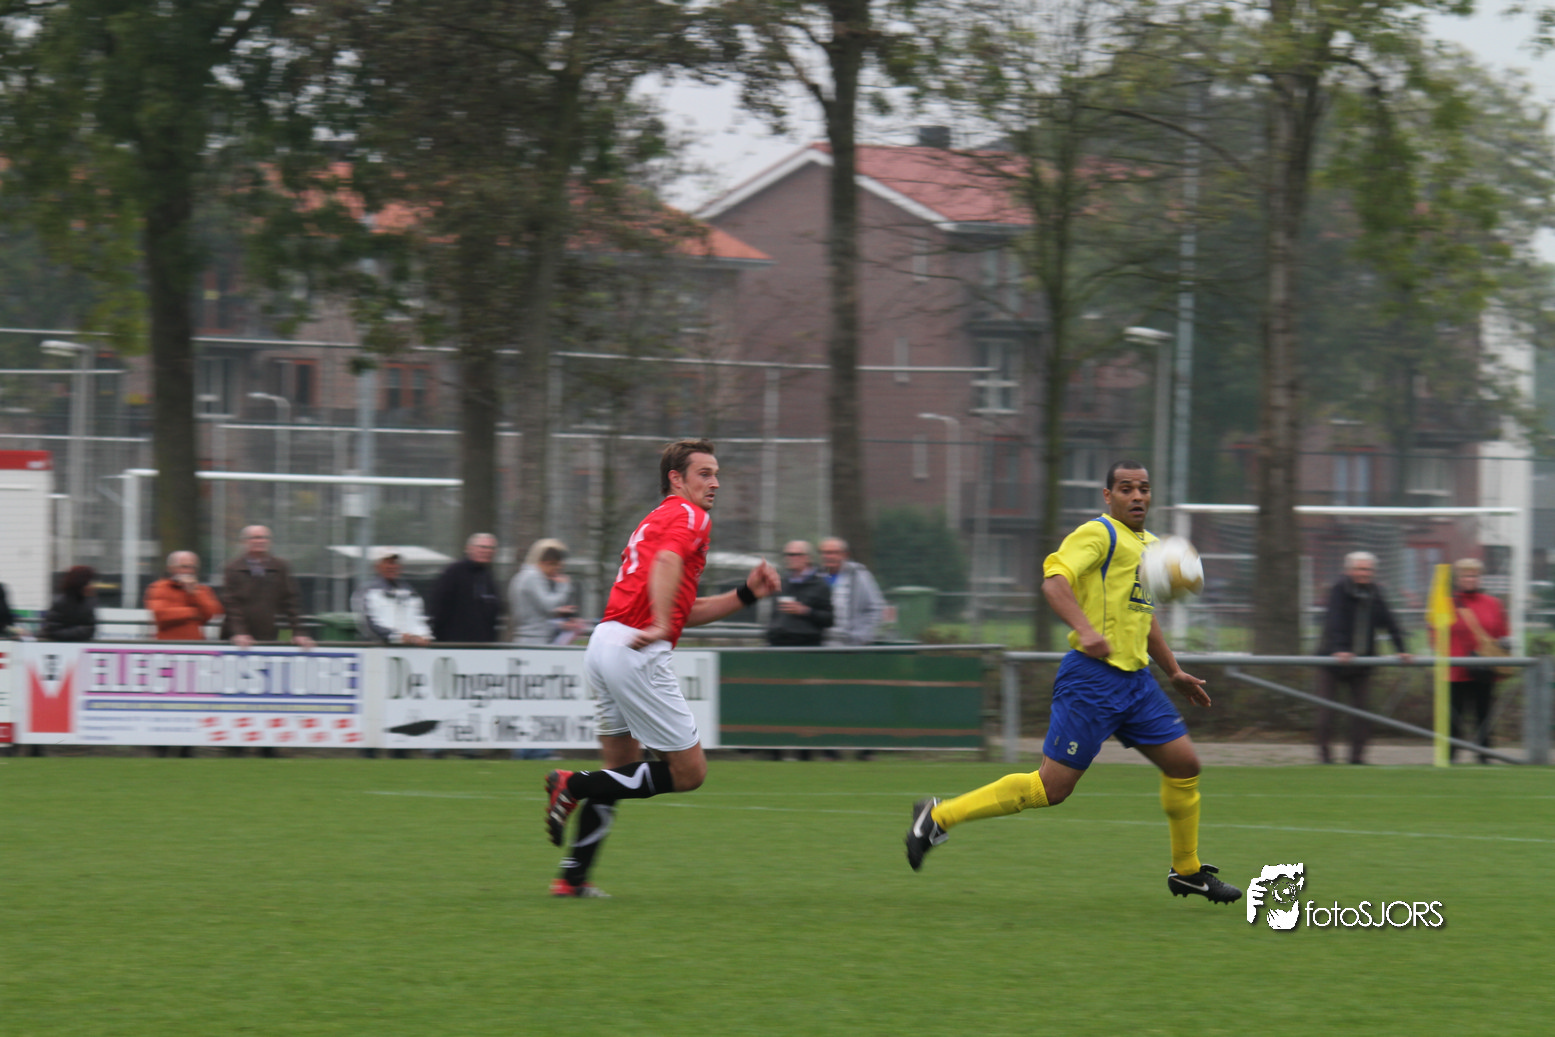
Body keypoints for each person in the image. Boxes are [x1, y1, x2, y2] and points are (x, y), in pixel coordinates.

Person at [904, 460, 1242, 906]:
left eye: (1143, 488)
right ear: (1108, 496)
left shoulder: (1153, 548)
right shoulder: (1098, 534)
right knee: (1051, 789)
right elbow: (1054, 583)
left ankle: (1187, 871)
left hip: (1137, 684)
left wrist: (1173, 671)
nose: (1137, 496)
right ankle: (937, 817)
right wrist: (1085, 629)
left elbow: (1144, 617)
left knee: (1184, 765)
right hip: (1091, 680)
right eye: (1126, 488)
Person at [543, 438, 781, 897]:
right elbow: (669, 567)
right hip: (635, 651)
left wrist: (747, 594)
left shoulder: (655, 519)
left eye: (716, 474)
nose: (715, 482)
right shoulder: (691, 516)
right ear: (676, 478)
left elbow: (683, 609)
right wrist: (657, 625)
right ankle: (573, 784)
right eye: (704, 473)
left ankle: (572, 878)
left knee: (620, 770)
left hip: (605, 642)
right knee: (689, 773)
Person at [1314, 550, 1411, 765]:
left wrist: (1401, 648)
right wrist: (1339, 649)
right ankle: (1325, 758)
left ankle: (1357, 758)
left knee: (1362, 712)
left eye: (1368, 569)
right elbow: (1335, 620)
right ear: (1348, 570)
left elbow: (1390, 621)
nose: (1364, 573)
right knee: (1326, 712)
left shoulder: (1376, 592)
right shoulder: (1338, 590)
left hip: (1362, 663)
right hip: (1332, 661)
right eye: (1359, 569)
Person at [1445, 557, 1509, 764]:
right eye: (1466, 575)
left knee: (1484, 716)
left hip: (1484, 669)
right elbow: (1435, 634)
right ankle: (1449, 758)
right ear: (1458, 578)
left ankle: (1484, 757)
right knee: (1453, 719)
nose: (1470, 579)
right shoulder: (1447, 604)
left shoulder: (1493, 604)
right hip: (1456, 670)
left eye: (1474, 575)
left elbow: (1502, 633)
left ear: (1480, 578)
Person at [221, 525, 316, 650]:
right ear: (244, 541)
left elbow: (291, 602)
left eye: (265, 537)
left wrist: (299, 633)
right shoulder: (233, 568)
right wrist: (239, 632)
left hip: (268, 633)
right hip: (236, 637)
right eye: (255, 538)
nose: (261, 541)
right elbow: (231, 604)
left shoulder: (280, 567)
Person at [427, 532, 503, 643]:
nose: (487, 551)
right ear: (469, 548)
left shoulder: (487, 576)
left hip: (483, 644)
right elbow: (438, 607)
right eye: (482, 547)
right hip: (455, 643)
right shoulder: (453, 572)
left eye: (491, 548)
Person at [510, 538, 583, 646]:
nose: (556, 573)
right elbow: (549, 606)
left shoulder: (523, 576)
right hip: (535, 641)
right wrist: (564, 586)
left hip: (530, 638)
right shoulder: (533, 577)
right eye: (556, 568)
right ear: (548, 563)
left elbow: (537, 612)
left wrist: (560, 620)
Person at [354, 548, 433, 646]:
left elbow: (418, 618)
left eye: (394, 563)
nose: (392, 567)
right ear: (377, 566)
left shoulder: (410, 592)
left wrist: (424, 635)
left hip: (408, 650)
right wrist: (396, 637)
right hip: (376, 649)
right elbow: (366, 624)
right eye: (387, 563)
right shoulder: (367, 591)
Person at [820, 536, 885, 646]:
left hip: (852, 645)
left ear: (845, 555)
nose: (828, 556)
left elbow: (876, 608)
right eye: (825, 553)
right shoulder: (818, 576)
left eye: (834, 553)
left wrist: (862, 635)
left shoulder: (859, 576)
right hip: (822, 645)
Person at [766, 540, 833, 647]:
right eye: (788, 555)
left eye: (796, 554)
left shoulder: (820, 585)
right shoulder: (781, 583)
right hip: (777, 644)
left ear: (808, 558)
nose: (790, 558)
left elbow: (829, 619)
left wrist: (806, 611)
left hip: (805, 647)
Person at [145, 551, 223, 641]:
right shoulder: (160, 587)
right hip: (168, 644)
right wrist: (193, 612)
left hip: (195, 643)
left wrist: (194, 593)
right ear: (171, 568)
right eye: (184, 567)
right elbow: (160, 615)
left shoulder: (202, 589)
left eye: (193, 567)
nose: (189, 571)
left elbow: (212, 612)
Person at [42, 566, 97, 642]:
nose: (91, 586)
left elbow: (90, 627)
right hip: (63, 645)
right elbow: (52, 630)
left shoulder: (87, 602)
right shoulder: (61, 603)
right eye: (88, 582)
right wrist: (81, 632)